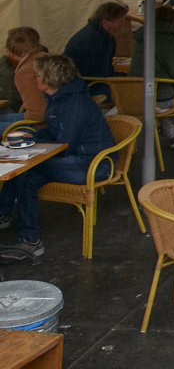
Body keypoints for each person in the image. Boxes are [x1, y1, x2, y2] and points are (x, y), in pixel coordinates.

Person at [0, 54, 115, 261]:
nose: (34, 79)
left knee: (25, 169)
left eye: (37, 75)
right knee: (26, 176)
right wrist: (32, 136)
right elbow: (56, 134)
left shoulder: (74, 104)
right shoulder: (59, 98)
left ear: (49, 79)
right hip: (77, 158)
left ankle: (25, 236)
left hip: (91, 164)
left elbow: (64, 145)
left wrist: (33, 151)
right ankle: (25, 235)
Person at [130, 4, 174, 148]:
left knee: (158, 91)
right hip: (158, 98)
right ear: (172, 21)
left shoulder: (140, 37)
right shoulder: (168, 39)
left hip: (133, 96)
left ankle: (172, 132)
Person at [63, 1, 127, 95]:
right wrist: (126, 78)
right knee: (131, 91)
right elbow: (101, 74)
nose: (122, 25)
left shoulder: (99, 35)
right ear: (105, 22)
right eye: (120, 21)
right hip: (86, 86)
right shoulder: (94, 40)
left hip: (89, 81)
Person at [0, 30, 45, 129]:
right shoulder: (48, 57)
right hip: (65, 117)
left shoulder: (25, 72)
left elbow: (37, 115)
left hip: (44, 126)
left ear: (10, 53)